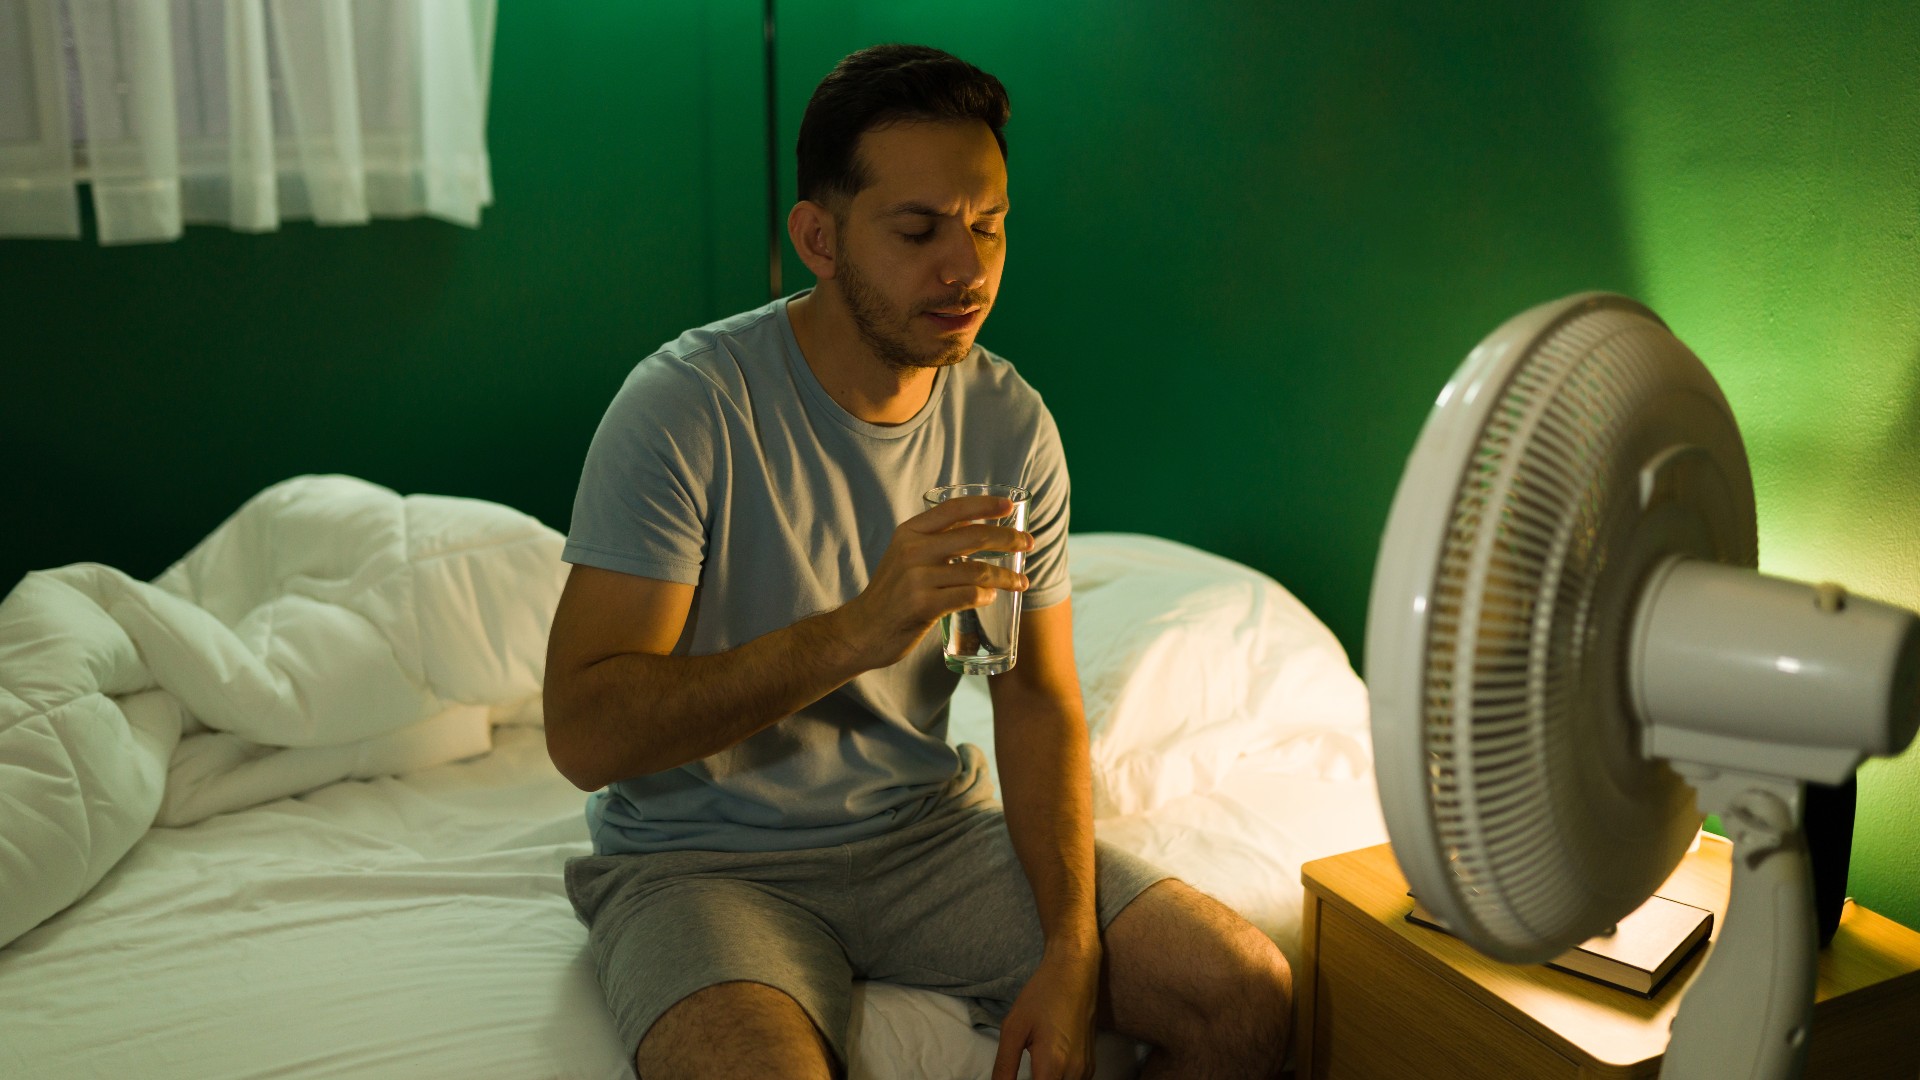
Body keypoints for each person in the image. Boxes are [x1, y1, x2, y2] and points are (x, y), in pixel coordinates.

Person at [544, 43, 1292, 1080]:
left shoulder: (1008, 424)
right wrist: (859, 630)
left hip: (922, 837)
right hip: (699, 864)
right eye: (919, 229)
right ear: (819, 238)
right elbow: (584, 735)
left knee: (1244, 994)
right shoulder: (689, 409)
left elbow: (1036, 698)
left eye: (989, 225)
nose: (967, 268)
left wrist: (1071, 948)